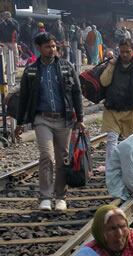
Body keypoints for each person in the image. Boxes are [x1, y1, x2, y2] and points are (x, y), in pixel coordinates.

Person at [15, 33, 84, 212]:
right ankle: (45, 197)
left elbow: (76, 92)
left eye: (53, 46)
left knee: (62, 159)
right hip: (42, 119)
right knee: (47, 156)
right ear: (39, 48)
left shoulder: (66, 67)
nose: (52, 50)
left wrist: (81, 119)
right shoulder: (31, 70)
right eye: (48, 47)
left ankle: (60, 196)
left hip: (64, 119)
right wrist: (20, 122)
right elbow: (23, 97)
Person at [101, 38, 133, 169]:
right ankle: (111, 171)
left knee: (131, 143)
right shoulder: (113, 65)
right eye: (122, 52)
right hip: (112, 110)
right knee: (112, 140)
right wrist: (111, 65)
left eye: (127, 52)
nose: (124, 55)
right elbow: (104, 82)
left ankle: (131, 170)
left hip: (131, 111)